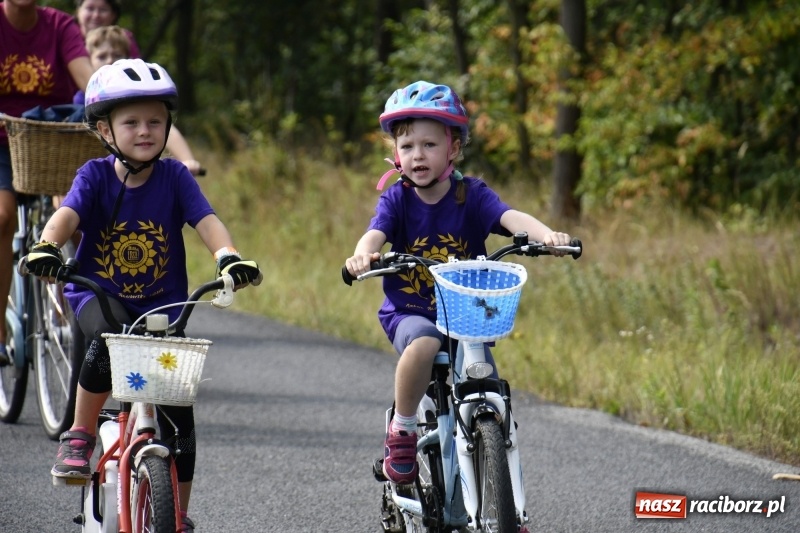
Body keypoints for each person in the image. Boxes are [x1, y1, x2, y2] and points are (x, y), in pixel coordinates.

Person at [21, 58, 262, 532]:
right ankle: (80, 433)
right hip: (99, 295)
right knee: (104, 344)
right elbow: (67, 216)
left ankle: (179, 514)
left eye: (155, 121)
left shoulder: (175, 178)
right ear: (104, 129)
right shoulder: (94, 175)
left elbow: (206, 222)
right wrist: (48, 245)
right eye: (131, 122)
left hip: (162, 304)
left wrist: (229, 256)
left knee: (180, 416)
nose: (145, 131)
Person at [344, 81, 573, 484]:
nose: (418, 154)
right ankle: (402, 428)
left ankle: (509, 506)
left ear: (453, 149)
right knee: (425, 342)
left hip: (467, 313)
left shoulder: (472, 195)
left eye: (430, 145)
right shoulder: (397, 200)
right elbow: (374, 234)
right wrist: (363, 255)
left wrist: (547, 235)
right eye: (408, 145)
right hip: (411, 311)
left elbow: (510, 218)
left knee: (490, 396)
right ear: (396, 154)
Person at [0, 0, 94, 365]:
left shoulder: (60, 26)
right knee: (4, 218)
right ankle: (0, 332)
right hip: (3, 146)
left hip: (53, 142)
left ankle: (95, 319)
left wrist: (108, 97)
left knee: (78, 217)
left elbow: (87, 77)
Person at [74, 25, 203, 176]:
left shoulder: (137, 96)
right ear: (89, 61)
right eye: (102, 56)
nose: (110, 60)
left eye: (117, 55)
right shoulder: (81, 99)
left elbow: (166, 126)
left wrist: (187, 160)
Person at [74, 0, 140, 58]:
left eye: (103, 10)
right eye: (90, 9)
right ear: (78, 11)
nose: (96, 15)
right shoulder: (68, 37)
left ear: (113, 15)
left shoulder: (124, 38)